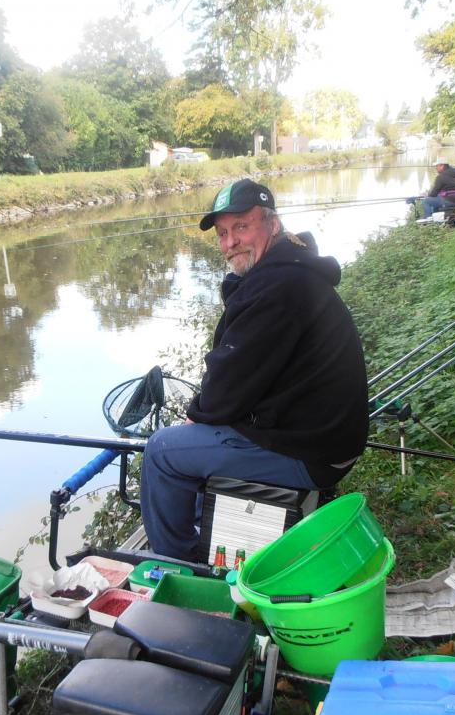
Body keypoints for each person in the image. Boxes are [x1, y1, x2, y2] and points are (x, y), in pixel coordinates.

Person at [140, 179, 370, 562]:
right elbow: (243, 371)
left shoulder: (276, 288)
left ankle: (175, 563)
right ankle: (210, 534)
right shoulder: (287, 273)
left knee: (162, 451)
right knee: (195, 442)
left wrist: (197, 416)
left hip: (311, 452)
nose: (230, 243)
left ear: (273, 225)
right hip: (319, 437)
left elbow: (228, 384)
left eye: (242, 227)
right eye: (223, 233)